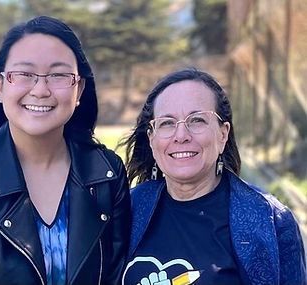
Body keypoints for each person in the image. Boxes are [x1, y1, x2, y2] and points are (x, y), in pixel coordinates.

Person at [0, 15, 131, 285]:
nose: (40, 90)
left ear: (79, 88)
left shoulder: (106, 172)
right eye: (25, 74)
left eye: (58, 75)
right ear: (0, 86)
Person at [119, 68, 306, 285]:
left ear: (223, 133)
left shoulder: (270, 220)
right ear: (151, 138)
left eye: (197, 120)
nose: (181, 136)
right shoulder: (125, 210)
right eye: (167, 123)